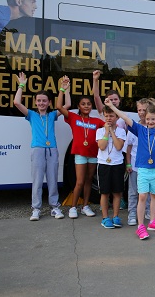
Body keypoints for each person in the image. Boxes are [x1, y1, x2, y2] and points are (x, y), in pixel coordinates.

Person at [105, 91, 155, 239]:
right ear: (144, 119)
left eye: (153, 119)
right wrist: (111, 106)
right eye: (148, 119)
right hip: (144, 169)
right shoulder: (140, 129)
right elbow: (125, 117)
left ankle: (152, 221)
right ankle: (140, 226)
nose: (151, 121)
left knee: (154, 196)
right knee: (142, 197)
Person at [13, 72, 70, 221]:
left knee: (52, 180)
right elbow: (17, 103)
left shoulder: (52, 115)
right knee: (37, 180)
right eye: (39, 101)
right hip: (37, 149)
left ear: (49, 102)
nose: (41, 103)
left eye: (44, 101)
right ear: (36, 102)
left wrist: (65, 89)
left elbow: (67, 105)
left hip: (52, 150)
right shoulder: (31, 115)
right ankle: (36, 209)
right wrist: (21, 85)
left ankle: (55, 207)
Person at [56, 86, 105, 219]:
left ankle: (85, 206)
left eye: (89, 104)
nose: (86, 106)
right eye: (83, 104)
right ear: (79, 105)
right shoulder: (73, 117)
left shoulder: (96, 121)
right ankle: (73, 207)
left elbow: (109, 124)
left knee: (89, 180)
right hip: (80, 155)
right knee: (80, 182)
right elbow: (59, 106)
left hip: (93, 155)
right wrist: (63, 89)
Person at [96, 105, 127, 228]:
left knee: (117, 192)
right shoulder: (100, 131)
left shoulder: (121, 131)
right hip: (104, 164)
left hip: (117, 164)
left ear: (117, 117)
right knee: (104, 192)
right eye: (107, 116)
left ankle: (115, 216)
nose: (109, 118)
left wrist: (112, 132)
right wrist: (106, 132)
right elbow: (102, 146)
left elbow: (119, 146)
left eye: (111, 116)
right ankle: (105, 217)